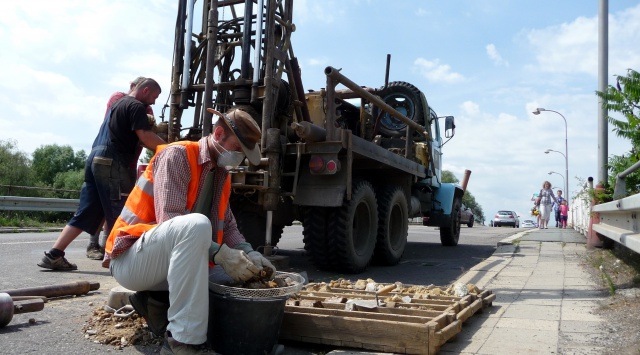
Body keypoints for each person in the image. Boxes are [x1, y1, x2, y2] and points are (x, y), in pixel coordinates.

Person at [103, 107, 275, 354]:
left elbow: (228, 226)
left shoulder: (221, 175)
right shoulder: (178, 155)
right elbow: (170, 219)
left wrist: (249, 254)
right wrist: (222, 255)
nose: (240, 158)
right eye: (238, 149)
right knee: (196, 225)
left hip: (162, 264)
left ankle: (155, 301)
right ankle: (180, 342)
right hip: (131, 260)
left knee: (238, 280)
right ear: (218, 134)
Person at [37, 78, 167, 271]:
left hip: (95, 159)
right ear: (146, 90)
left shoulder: (118, 104)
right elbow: (145, 136)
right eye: (154, 97)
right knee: (122, 212)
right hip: (112, 163)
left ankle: (54, 255)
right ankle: (123, 265)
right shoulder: (136, 106)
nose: (154, 102)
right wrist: (171, 148)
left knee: (87, 212)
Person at [86, 77, 155, 260]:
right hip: (112, 158)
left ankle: (106, 243)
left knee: (119, 206)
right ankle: (96, 245)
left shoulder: (145, 107)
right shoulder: (121, 99)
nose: (153, 102)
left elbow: (147, 130)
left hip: (129, 161)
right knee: (108, 206)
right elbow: (131, 123)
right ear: (138, 88)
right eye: (152, 96)